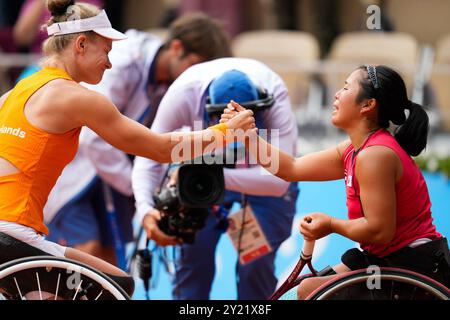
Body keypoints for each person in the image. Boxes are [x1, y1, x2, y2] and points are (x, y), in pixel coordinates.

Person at [0, 0, 253, 298]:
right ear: (81, 44)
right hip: (14, 233)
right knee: (118, 286)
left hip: (13, 233)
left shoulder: (14, 93)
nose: (109, 62)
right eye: (106, 51)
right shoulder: (76, 97)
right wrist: (225, 133)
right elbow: (159, 148)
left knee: (114, 278)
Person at [223, 65, 450, 299]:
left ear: (367, 105)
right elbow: (291, 168)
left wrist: (331, 224)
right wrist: (248, 137)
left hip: (413, 270)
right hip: (389, 262)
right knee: (308, 290)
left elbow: (379, 231)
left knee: (310, 291)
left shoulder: (376, 155)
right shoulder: (354, 150)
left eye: (345, 87)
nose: (336, 94)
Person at [43, 12, 231, 266]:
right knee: (87, 252)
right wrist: (139, 187)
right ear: (177, 48)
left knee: (111, 267)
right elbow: (93, 140)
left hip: (117, 173)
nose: (197, 76)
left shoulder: (182, 83)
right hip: (75, 169)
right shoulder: (123, 58)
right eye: (195, 65)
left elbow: (177, 141)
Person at [131, 58, 299, 300]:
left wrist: (213, 177)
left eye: (250, 126)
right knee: (193, 265)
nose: (241, 140)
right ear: (209, 113)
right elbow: (149, 156)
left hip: (255, 182)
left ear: (261, 109)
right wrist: (146, 210)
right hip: (204, 177)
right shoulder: (183, 95)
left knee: (255, 266)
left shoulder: (274, 96)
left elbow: (279, 180)